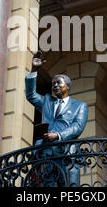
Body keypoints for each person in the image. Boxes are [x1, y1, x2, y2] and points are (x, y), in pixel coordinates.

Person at [25, 51, 88, 186]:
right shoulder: (47, 101)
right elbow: (31, 95)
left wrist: (58, 135)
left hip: (67, 154)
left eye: (59, 83)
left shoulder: (80, 106)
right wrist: (34, 70)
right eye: (53, 83)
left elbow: (78, 127)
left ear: (68, 86)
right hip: (47, 153)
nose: (55, 85)